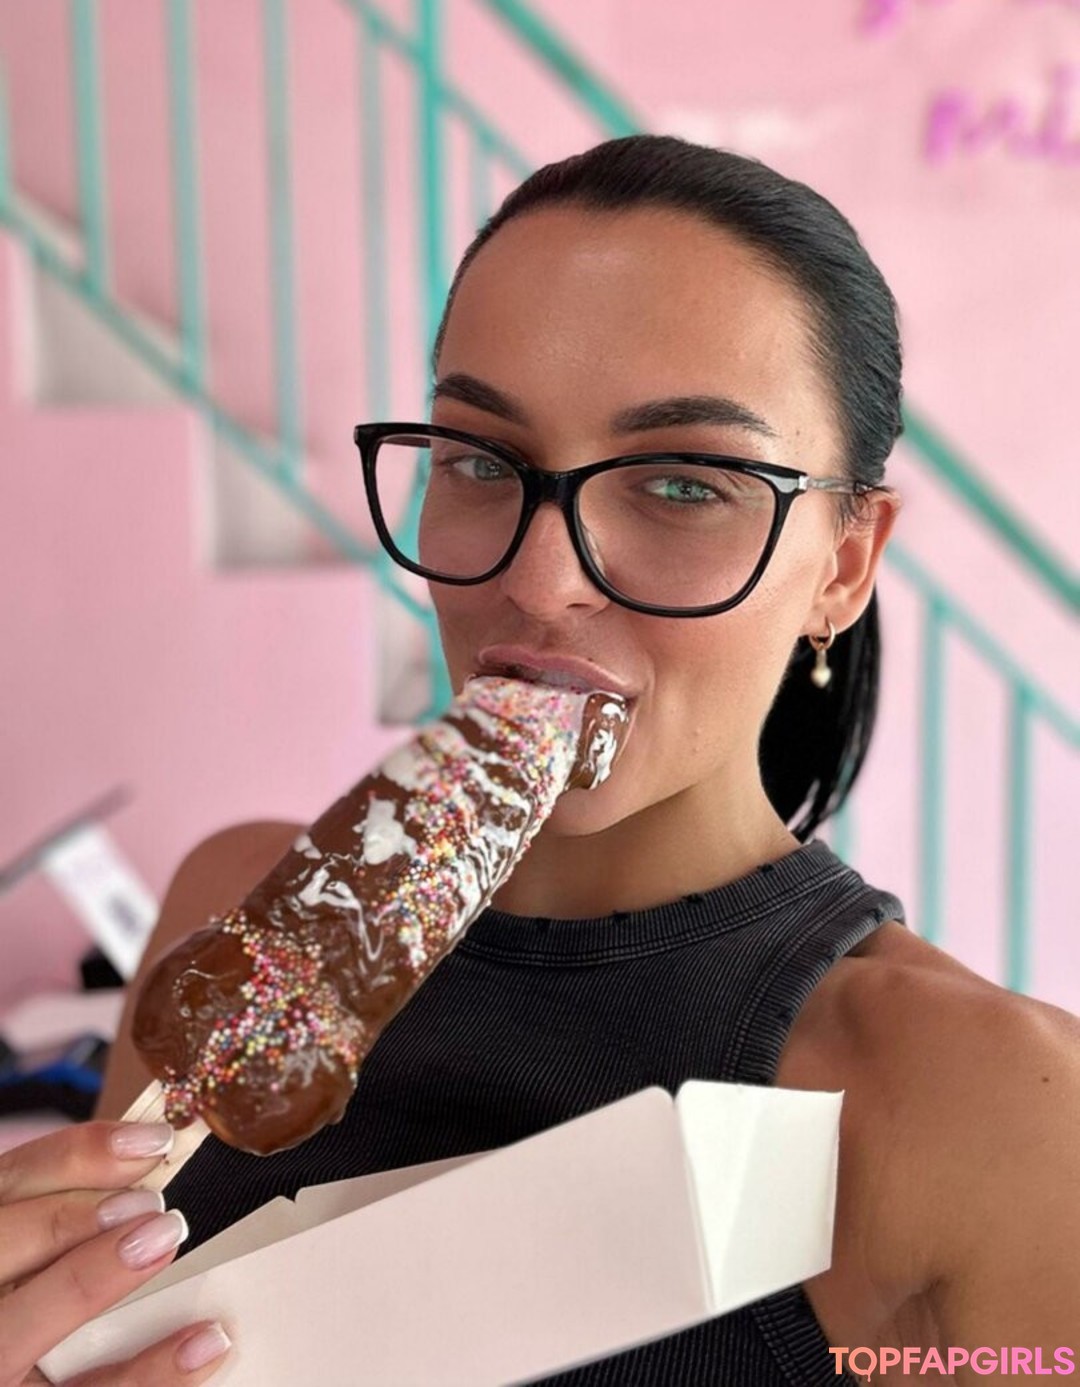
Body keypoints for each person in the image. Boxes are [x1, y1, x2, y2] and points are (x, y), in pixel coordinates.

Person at [4, 134, 1078, 1385]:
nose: (540, 578)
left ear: (843, 563)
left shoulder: (997, 1113)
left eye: (685, 485)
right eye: (479, 461)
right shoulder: (231, 899)